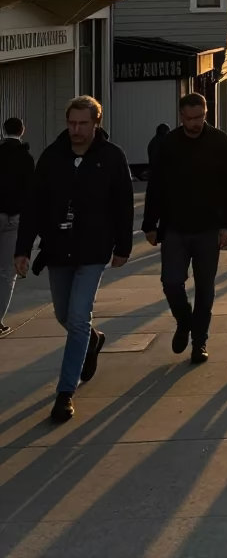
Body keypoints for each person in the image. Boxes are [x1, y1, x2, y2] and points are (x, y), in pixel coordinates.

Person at [14, 97, 133, 423]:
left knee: (78, 317)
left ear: (96, 123)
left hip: (93, 251)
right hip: (58, 250)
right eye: (71, 123)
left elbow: (123, 204)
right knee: (65, 315)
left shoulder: (111, 157)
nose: (76, 130)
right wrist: (23, 249)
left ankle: (65, 392)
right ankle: (93, 340)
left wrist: (123, 246)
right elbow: (34, 205)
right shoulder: (53, 157)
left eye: (83, 124)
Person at [142, 92, 227, 364]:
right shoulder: (169, 144)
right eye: (190, 118)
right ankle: (185, 321)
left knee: (205, 287)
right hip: (174, 227)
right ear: (181, 116)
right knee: (171, 283)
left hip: (209, 228)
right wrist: (150, 224)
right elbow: (156, 186)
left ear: (206, 113)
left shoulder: (219, 142)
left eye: (200, 117)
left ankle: (200, 342)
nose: (195, 123)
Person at [0, 117, 34, 337]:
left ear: (3, 131)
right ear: (22, 131)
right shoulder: (26, 158)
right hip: (14, 218)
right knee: (6, 273)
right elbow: (32, 191)